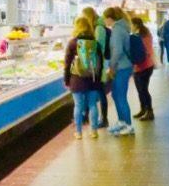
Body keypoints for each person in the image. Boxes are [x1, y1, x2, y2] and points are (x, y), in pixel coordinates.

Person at [63, 16, 102, 139]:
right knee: (92, 105)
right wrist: (98, 78)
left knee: (78, 106)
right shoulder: (96, 43)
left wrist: (66, 80)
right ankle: (94, 131)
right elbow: (100, 63)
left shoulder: (73, 43)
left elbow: (67, 63)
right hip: (93, 78)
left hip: (77, 79)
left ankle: (78, 132)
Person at [105, 8, 135, 136]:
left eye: (105, 18)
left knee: (120, 96)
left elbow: (117, 51)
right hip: (124, 66)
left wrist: (111, 66)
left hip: (121, 67)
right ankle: (122, 121)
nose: (104, 20)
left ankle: (128, 125)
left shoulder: (117, 30)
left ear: (110, 18)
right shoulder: (123, 28)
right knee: (116, 95)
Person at [131, 17, 156, 121]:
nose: (130, 26)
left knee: (143, 90)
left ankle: (149, 111)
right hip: (147, 65)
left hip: (142, 66)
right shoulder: (147, 34)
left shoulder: (138, 36)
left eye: (131, 24)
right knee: (141, 90)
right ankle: (144, 109)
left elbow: (140, 52)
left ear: (135, 25)